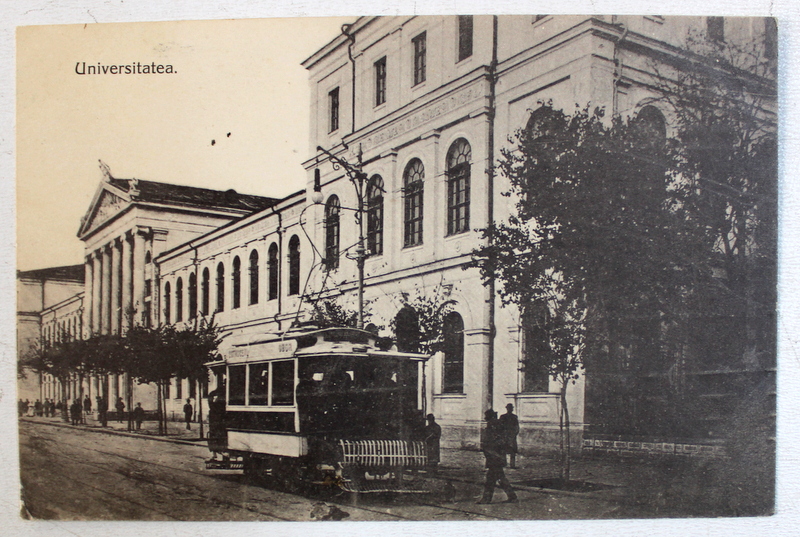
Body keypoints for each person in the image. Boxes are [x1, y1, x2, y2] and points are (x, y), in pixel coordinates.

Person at [477, 409, 517, 504]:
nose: (485, 418)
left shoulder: (493, 426)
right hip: (496, 457)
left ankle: (486, 499)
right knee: (500, 478)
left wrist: (490, 449)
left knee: (491, 479)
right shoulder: (497, 426)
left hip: (494, 457)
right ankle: (512, 496)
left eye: (486, 416)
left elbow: (494, 442)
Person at [499, 403, 520, 469]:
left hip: (511, 436)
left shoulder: (514, 417)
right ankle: (503, 463)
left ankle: (512, 464)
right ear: (507, 409)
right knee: (503, 450)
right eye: (509, 408)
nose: (511, 409)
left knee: (512, 451)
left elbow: (517, 427)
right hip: (505, 435)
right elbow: (500, 426)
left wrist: (514, 434)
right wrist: (502, 434)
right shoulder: (503, 417)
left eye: (511, 408)